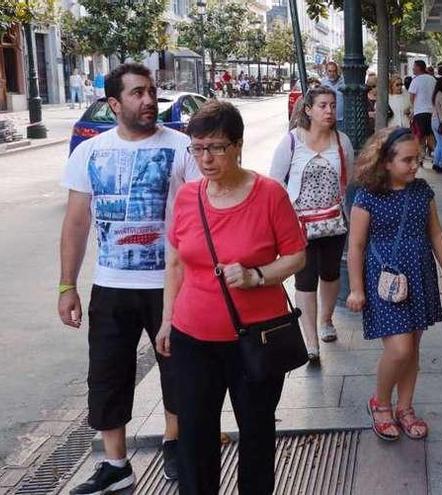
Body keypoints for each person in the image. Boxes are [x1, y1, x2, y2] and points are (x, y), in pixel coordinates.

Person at [59, 63, 200, 494]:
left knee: (179, 372)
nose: (149, 100)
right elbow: (77, 222)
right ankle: (116, 465)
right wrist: (67, 285)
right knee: (106, 375)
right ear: (114, 103)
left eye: (151, 91)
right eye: (137, 93)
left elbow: (201, 215)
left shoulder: (183, 148)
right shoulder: (90, 152)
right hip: (111, 285)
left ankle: (175, 444)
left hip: (171, 284)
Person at [155, 101, 306, 493]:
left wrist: (257, 275)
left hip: (254, 340)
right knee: (195, 434)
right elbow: (175, 263)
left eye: (217, 147)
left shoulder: (269, 195)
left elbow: (295, 255)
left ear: (238, 146)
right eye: (198, 148)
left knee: (256, 433)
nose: (205, 158)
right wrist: (167, 319)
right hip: (192, 337)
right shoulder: (188, 198)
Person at [346, 127, 442, 441]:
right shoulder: (367, 195)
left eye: (417, 159)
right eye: (407, 160)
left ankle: (405, 407)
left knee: (413, 349)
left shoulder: (422, 191)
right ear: (385, 162)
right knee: (399, 349)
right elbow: (355, 245)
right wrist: (356, 288)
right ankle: (380, 403)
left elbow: (436, 233)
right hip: (384, 279)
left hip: (419, 274)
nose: (414, 165)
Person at [269, 87, 355, 362]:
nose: (329, 111)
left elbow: (348, 180)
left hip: (333, 222)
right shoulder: (292, 142)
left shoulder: (342, 142)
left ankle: (326, 320)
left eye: (332, 105)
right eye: (322, 106)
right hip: (298, 225)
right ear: (308, 110)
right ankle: (310, 341)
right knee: (304, 279)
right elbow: (275, 183)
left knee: (330, 273)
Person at [407, 60, 436, 164]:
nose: (413, 68)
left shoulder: (416, 80)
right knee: (430, 134)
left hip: (420, 112)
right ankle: (436, 154)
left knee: (420, 136)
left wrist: (412, 110)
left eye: (414, 66)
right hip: (432, 112)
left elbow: (412, 97)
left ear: (419, 67)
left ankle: (420, 157)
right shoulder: (432, 79)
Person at [321, 61, 345, 128]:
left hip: (341, 119)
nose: (332, 73)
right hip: (328, 118)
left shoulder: (343, 82)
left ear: (337, 71)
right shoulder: (323, 83)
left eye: (334, 71)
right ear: (326, 71)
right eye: (330, 71)